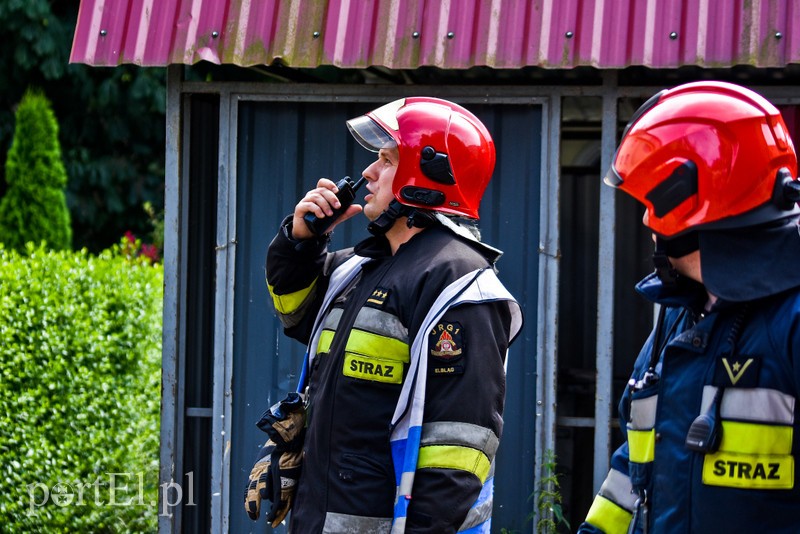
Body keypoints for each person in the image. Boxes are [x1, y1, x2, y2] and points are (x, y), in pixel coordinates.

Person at [246, 97, 523, 533]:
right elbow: (295, 314)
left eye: (387, 160)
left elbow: (457, 450)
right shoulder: (359, 268)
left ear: (427, 177)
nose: (369, 172)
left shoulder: (457, 283)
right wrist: (300, 242)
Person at [579, 81, 800, 533]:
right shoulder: (682, 313)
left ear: (690, 202)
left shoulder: (790, 321)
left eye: (652, 203)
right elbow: (636, 467)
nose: (646, 221)